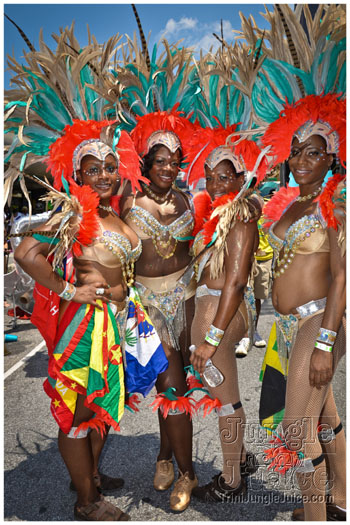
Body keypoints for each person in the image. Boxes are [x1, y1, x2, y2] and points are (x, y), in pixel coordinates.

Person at [14, 120, 145, 521]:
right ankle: (87, 502)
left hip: (116, 324)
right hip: (88, 328)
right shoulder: (73, 212)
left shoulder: (112, 210)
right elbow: (25, 253)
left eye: (109, 165)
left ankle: (88, 476)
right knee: (78, 413)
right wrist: (71, 291)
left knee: (100, 404)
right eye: (93, 168)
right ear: (76, 175)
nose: (104, 174)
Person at [261, 94, 346, 521]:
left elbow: (342, 277)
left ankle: (315, 515)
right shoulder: (290, 202)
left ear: (333, 155)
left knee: (295, 430)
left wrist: (326, 345)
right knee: (325, 413)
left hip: (318, 322)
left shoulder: (338, 204)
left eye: (313, 151)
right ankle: (342, 500)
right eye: (295, 150)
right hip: (287, 326)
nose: (300, 159)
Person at [119, 110, 198, 512]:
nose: (168, 167)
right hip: (148, 308)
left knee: (179, 384)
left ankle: (165, 456)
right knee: (170, 386)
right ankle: (188, 472)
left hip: (188, 303)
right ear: (147, 163)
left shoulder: (190, 198)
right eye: (160, 160)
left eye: (174, 160)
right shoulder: (127, 199)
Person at [186, 127, 267, 502]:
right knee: (225, 397)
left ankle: (232, 481)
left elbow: (234, 282)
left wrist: (211, 338)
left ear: (239, 178)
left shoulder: (240, 215)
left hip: (219, 313)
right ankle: (242, 459)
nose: (215, 183)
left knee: (226, 401)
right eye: (210, 175)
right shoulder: (220, 214)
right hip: (214, 309)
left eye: (224, 176)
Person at [235, 182, 278, 357]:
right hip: (246, 259)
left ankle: (254, 331)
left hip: (265, 258)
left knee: (258, 297)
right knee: (245, 295)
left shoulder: (269, 207)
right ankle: (243, 335)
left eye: (253, 184)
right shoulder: (240, 206)